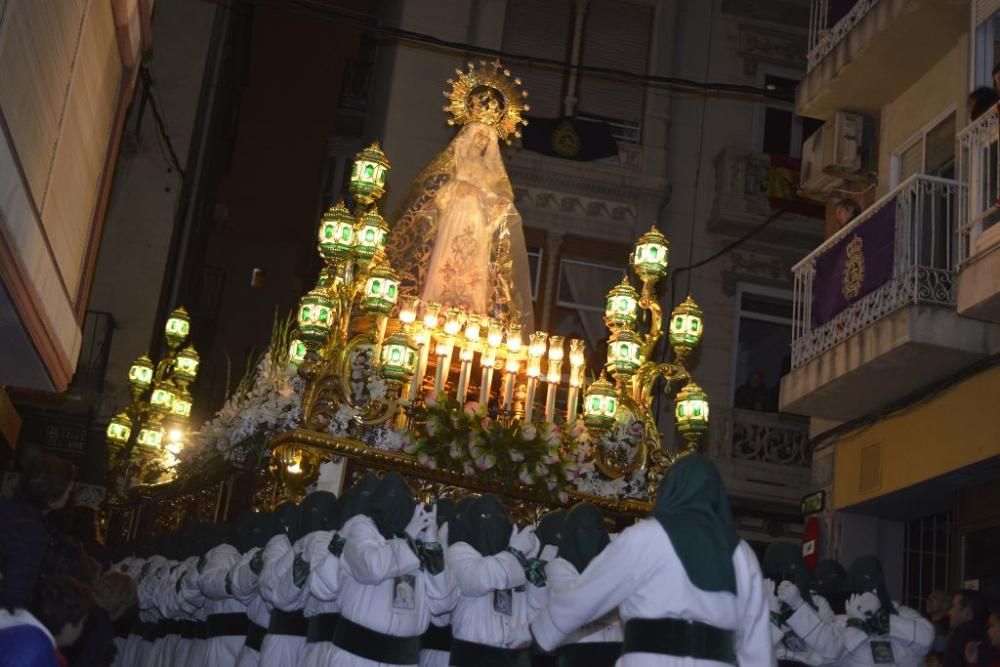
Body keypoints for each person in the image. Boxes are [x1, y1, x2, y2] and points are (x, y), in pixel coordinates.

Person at [531, 453, 773, 665]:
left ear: (669, 489)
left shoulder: (645, 537)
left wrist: (542, 631)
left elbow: (589, 593)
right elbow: (756, 639)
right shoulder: (742, 554)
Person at [386, 119, 535, 330]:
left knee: (474, 272)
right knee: (446, 262)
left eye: (487, 136)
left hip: (479, 228)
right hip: (455, 219)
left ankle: (471, 316)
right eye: (478, 134)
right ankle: (434, 309)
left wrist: (498, 204)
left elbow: (496, 202)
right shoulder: (456, 160)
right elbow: (435, 193)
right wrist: (457, 187)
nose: (481, 140)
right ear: (468, 134)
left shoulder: (490, 171)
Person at [330, 472, 454, 666]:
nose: (396, 504)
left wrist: (432, 546)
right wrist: (407, 539)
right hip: (356, 657)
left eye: (402, 497)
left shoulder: (420, 542)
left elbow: (443, 603)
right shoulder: (362, 529)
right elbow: (372, 568)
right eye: (390, 496)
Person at [446, 494, 542, 666]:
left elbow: (537, 609)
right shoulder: (459, 551)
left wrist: (534, 569)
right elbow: (477, 580)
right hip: (473, 659)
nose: (493, 525)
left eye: (499, 518)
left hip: (512, 658)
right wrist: (515, 553)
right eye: (484, 518)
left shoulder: (515, 558)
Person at [545, 502, 623, 666]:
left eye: (597, 530)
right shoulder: (558, 568)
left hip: (616, 650)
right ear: (572, 533)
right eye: (584, 530)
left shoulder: (615, 564)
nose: (591, 537)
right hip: (577, 653)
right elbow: (580, 609)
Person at [0, 455, 75, 610]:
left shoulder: (8, 509)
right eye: (68, 488)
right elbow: (17, 590)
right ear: (55, 490)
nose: (70, 494)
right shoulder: (32, 530)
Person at [837, 555, 933, 667]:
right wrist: (855, 625)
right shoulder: (841, 622)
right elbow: (830, 657)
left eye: (872, 586)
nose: (866, 593)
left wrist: (883, 618)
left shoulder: (903, 614)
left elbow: (926, 639)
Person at [762, 542, 843, 666]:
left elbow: (832, 651)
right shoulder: (758, 603)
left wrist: (799, 606)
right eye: (778, 569)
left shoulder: (817, 603)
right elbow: (751, 652)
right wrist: (772, 615)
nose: (785, 576)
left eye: (793, 568)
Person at [944, 590, 988, 667]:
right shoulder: (989, 635)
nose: (949, 612)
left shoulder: (958, 636)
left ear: (966, 612)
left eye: (953, 607)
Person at [926, 590, 951, 659]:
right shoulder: (923, 623)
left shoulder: (950, 626)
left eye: (934, 598)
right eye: (928, 598)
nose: (929, 601)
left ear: (945, 604)